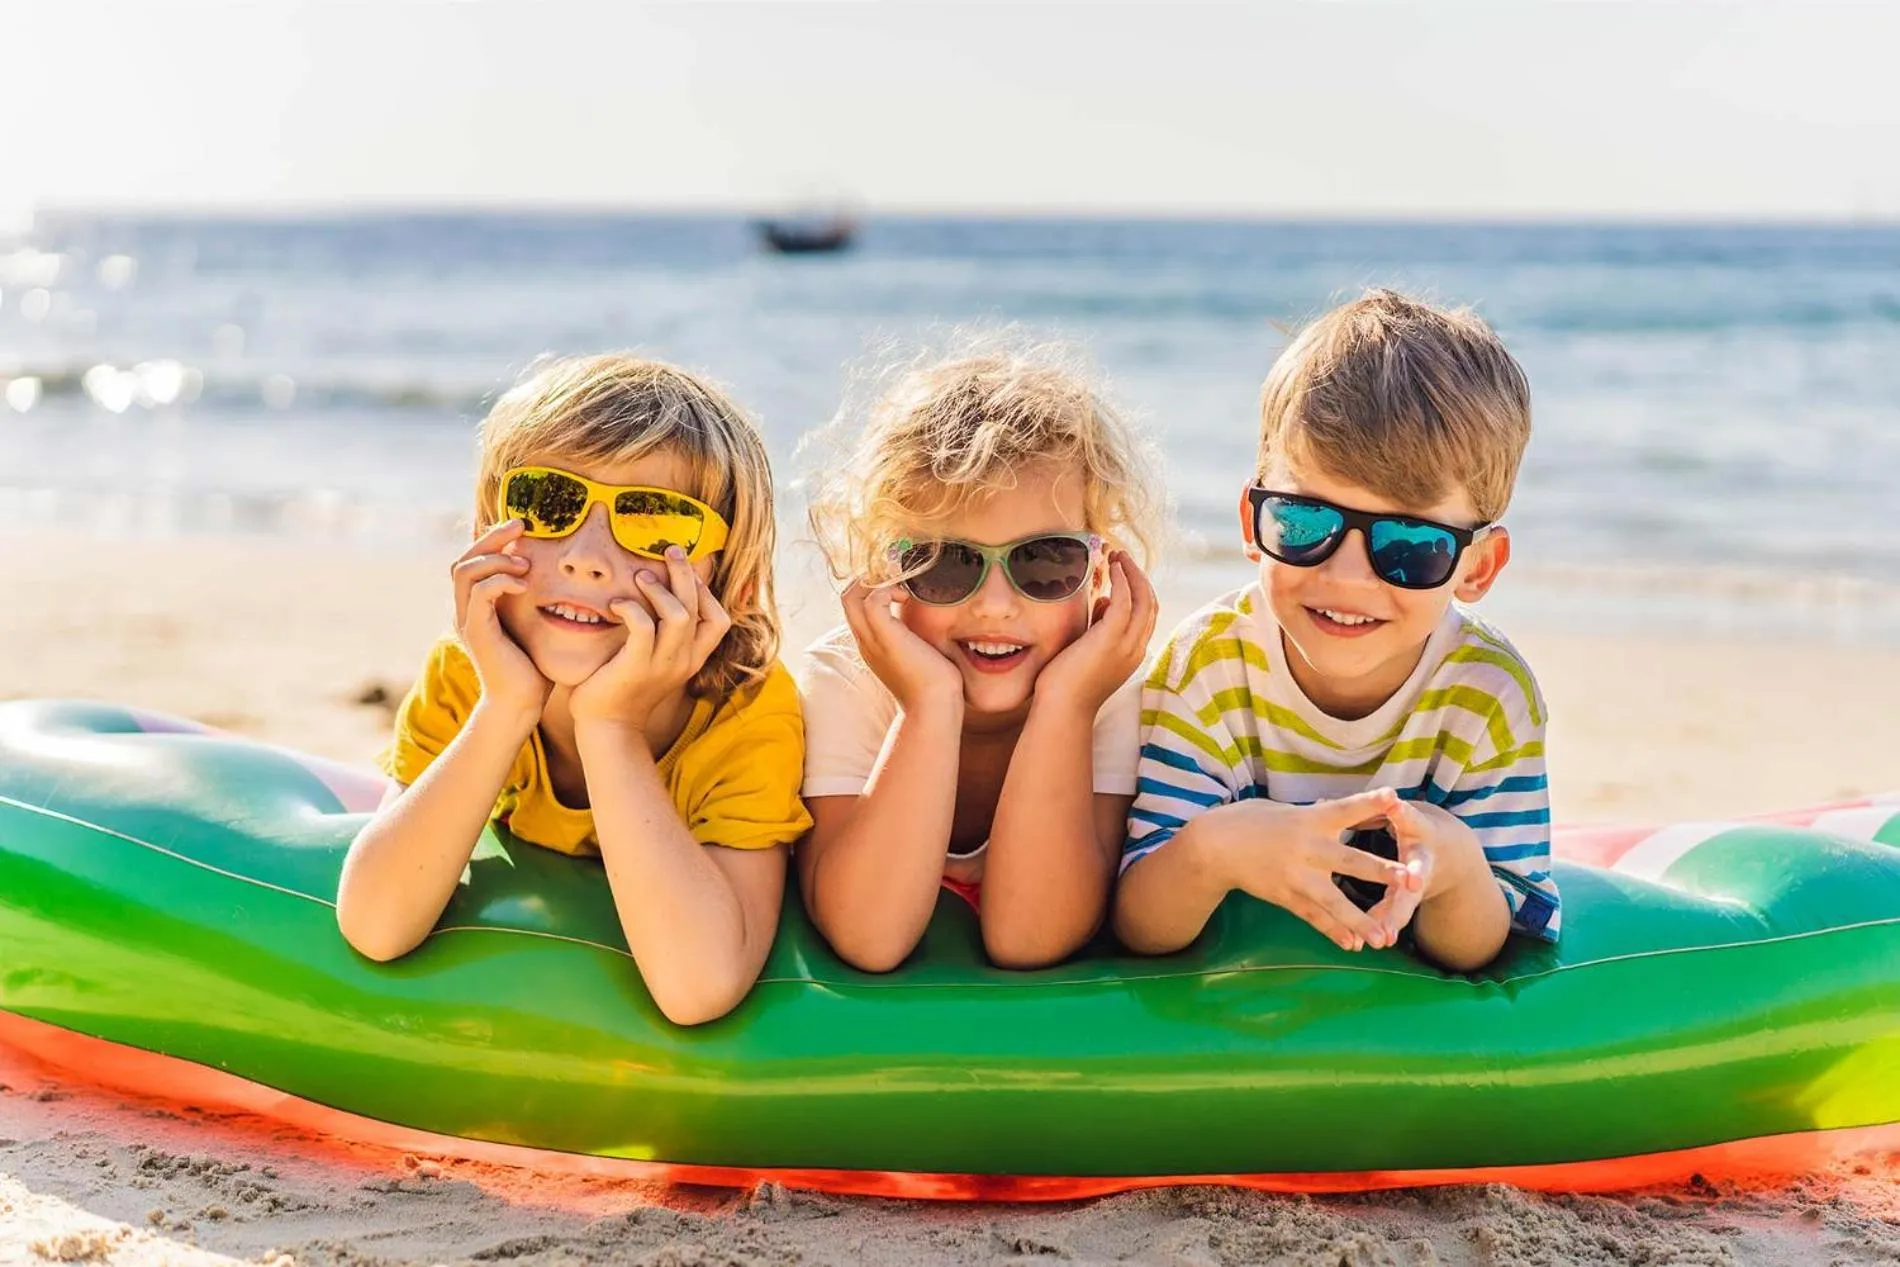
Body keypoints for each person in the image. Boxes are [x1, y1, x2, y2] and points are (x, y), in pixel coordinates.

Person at [337, 354, 810, 1024]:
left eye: (655, 521)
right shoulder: (471, 676)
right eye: (548, 501)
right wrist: (506, 708)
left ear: (725, 577)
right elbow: (377, 925)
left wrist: (609, 727)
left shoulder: (746, 712)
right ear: (485, 529)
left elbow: (697, 987)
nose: (586, 555)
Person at [1116, 291, 1559, 973]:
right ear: (1251, 524)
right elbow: (1141, 923)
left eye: (1410, 543)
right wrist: (1218, 848)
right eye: (1305, 522)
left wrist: (1453, 866)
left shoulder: (1488, 695)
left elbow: (1483, 946)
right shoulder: (1208, 666)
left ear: (1478, 568)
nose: (1347, 576)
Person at [798, 348, 1162, 971]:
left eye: (1045, 562)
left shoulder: (1103, 693)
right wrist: (929, 704)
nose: (995, 607)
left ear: (1099, 570)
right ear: (887, 569)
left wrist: (1067, 706)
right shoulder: (843, 685)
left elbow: (1029, 938)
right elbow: (870, 937)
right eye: (946, 563)